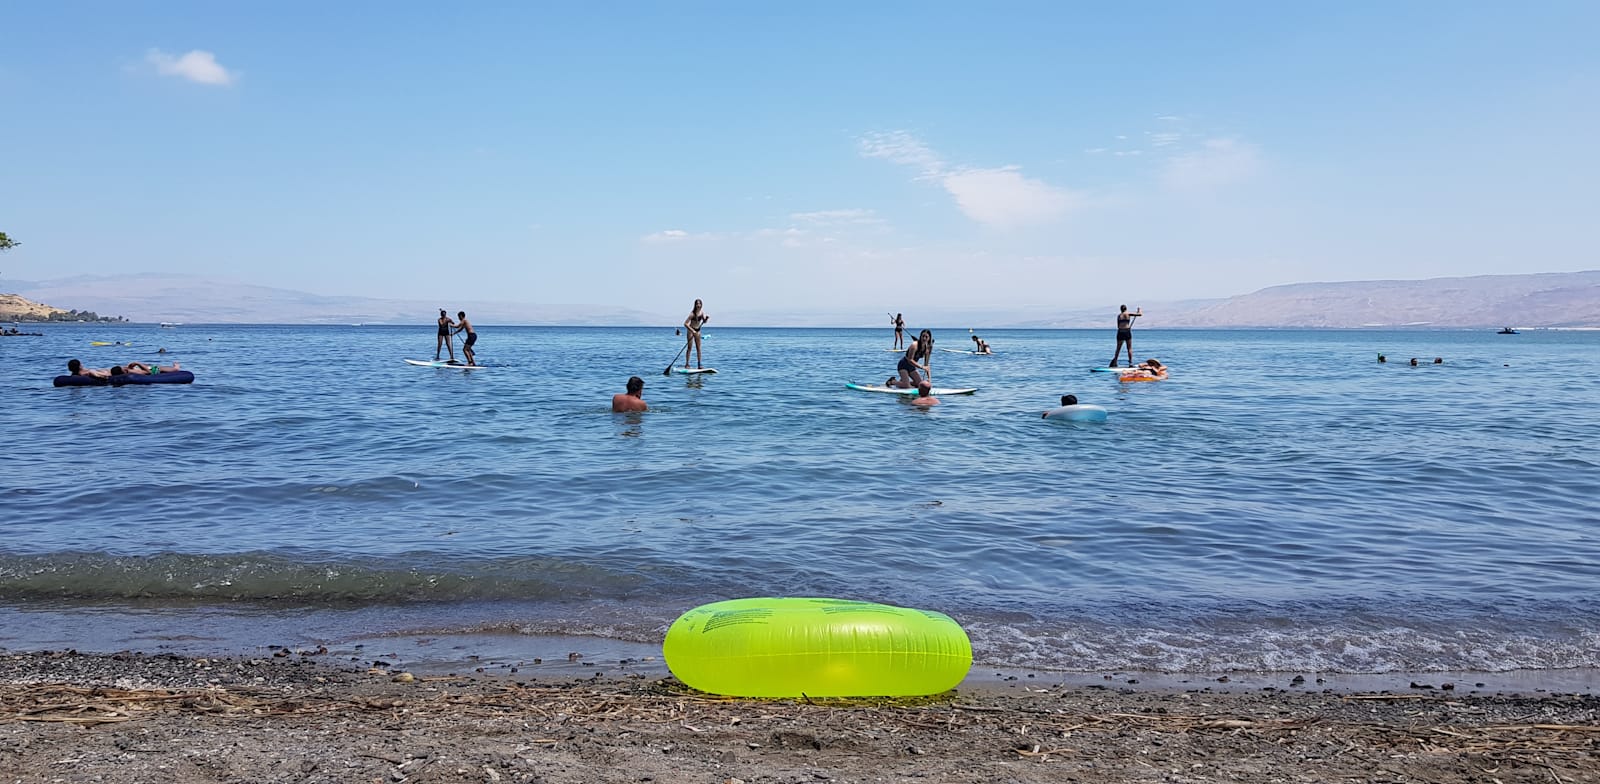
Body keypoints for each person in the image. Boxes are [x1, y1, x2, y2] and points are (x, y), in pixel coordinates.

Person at [683, 299, 709, 370]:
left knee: (698, 348)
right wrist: (692, 330)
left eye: (699, 304)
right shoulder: (692, 314)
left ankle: (699, 364)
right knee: (689, 348)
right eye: (697, 304)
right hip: (691, 331)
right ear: (695, 305)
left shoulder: (702, 313)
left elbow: (704, 321)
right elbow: (685, 324)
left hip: (698, 331)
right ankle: (687, 364)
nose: (698, 305)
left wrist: (706, 319)